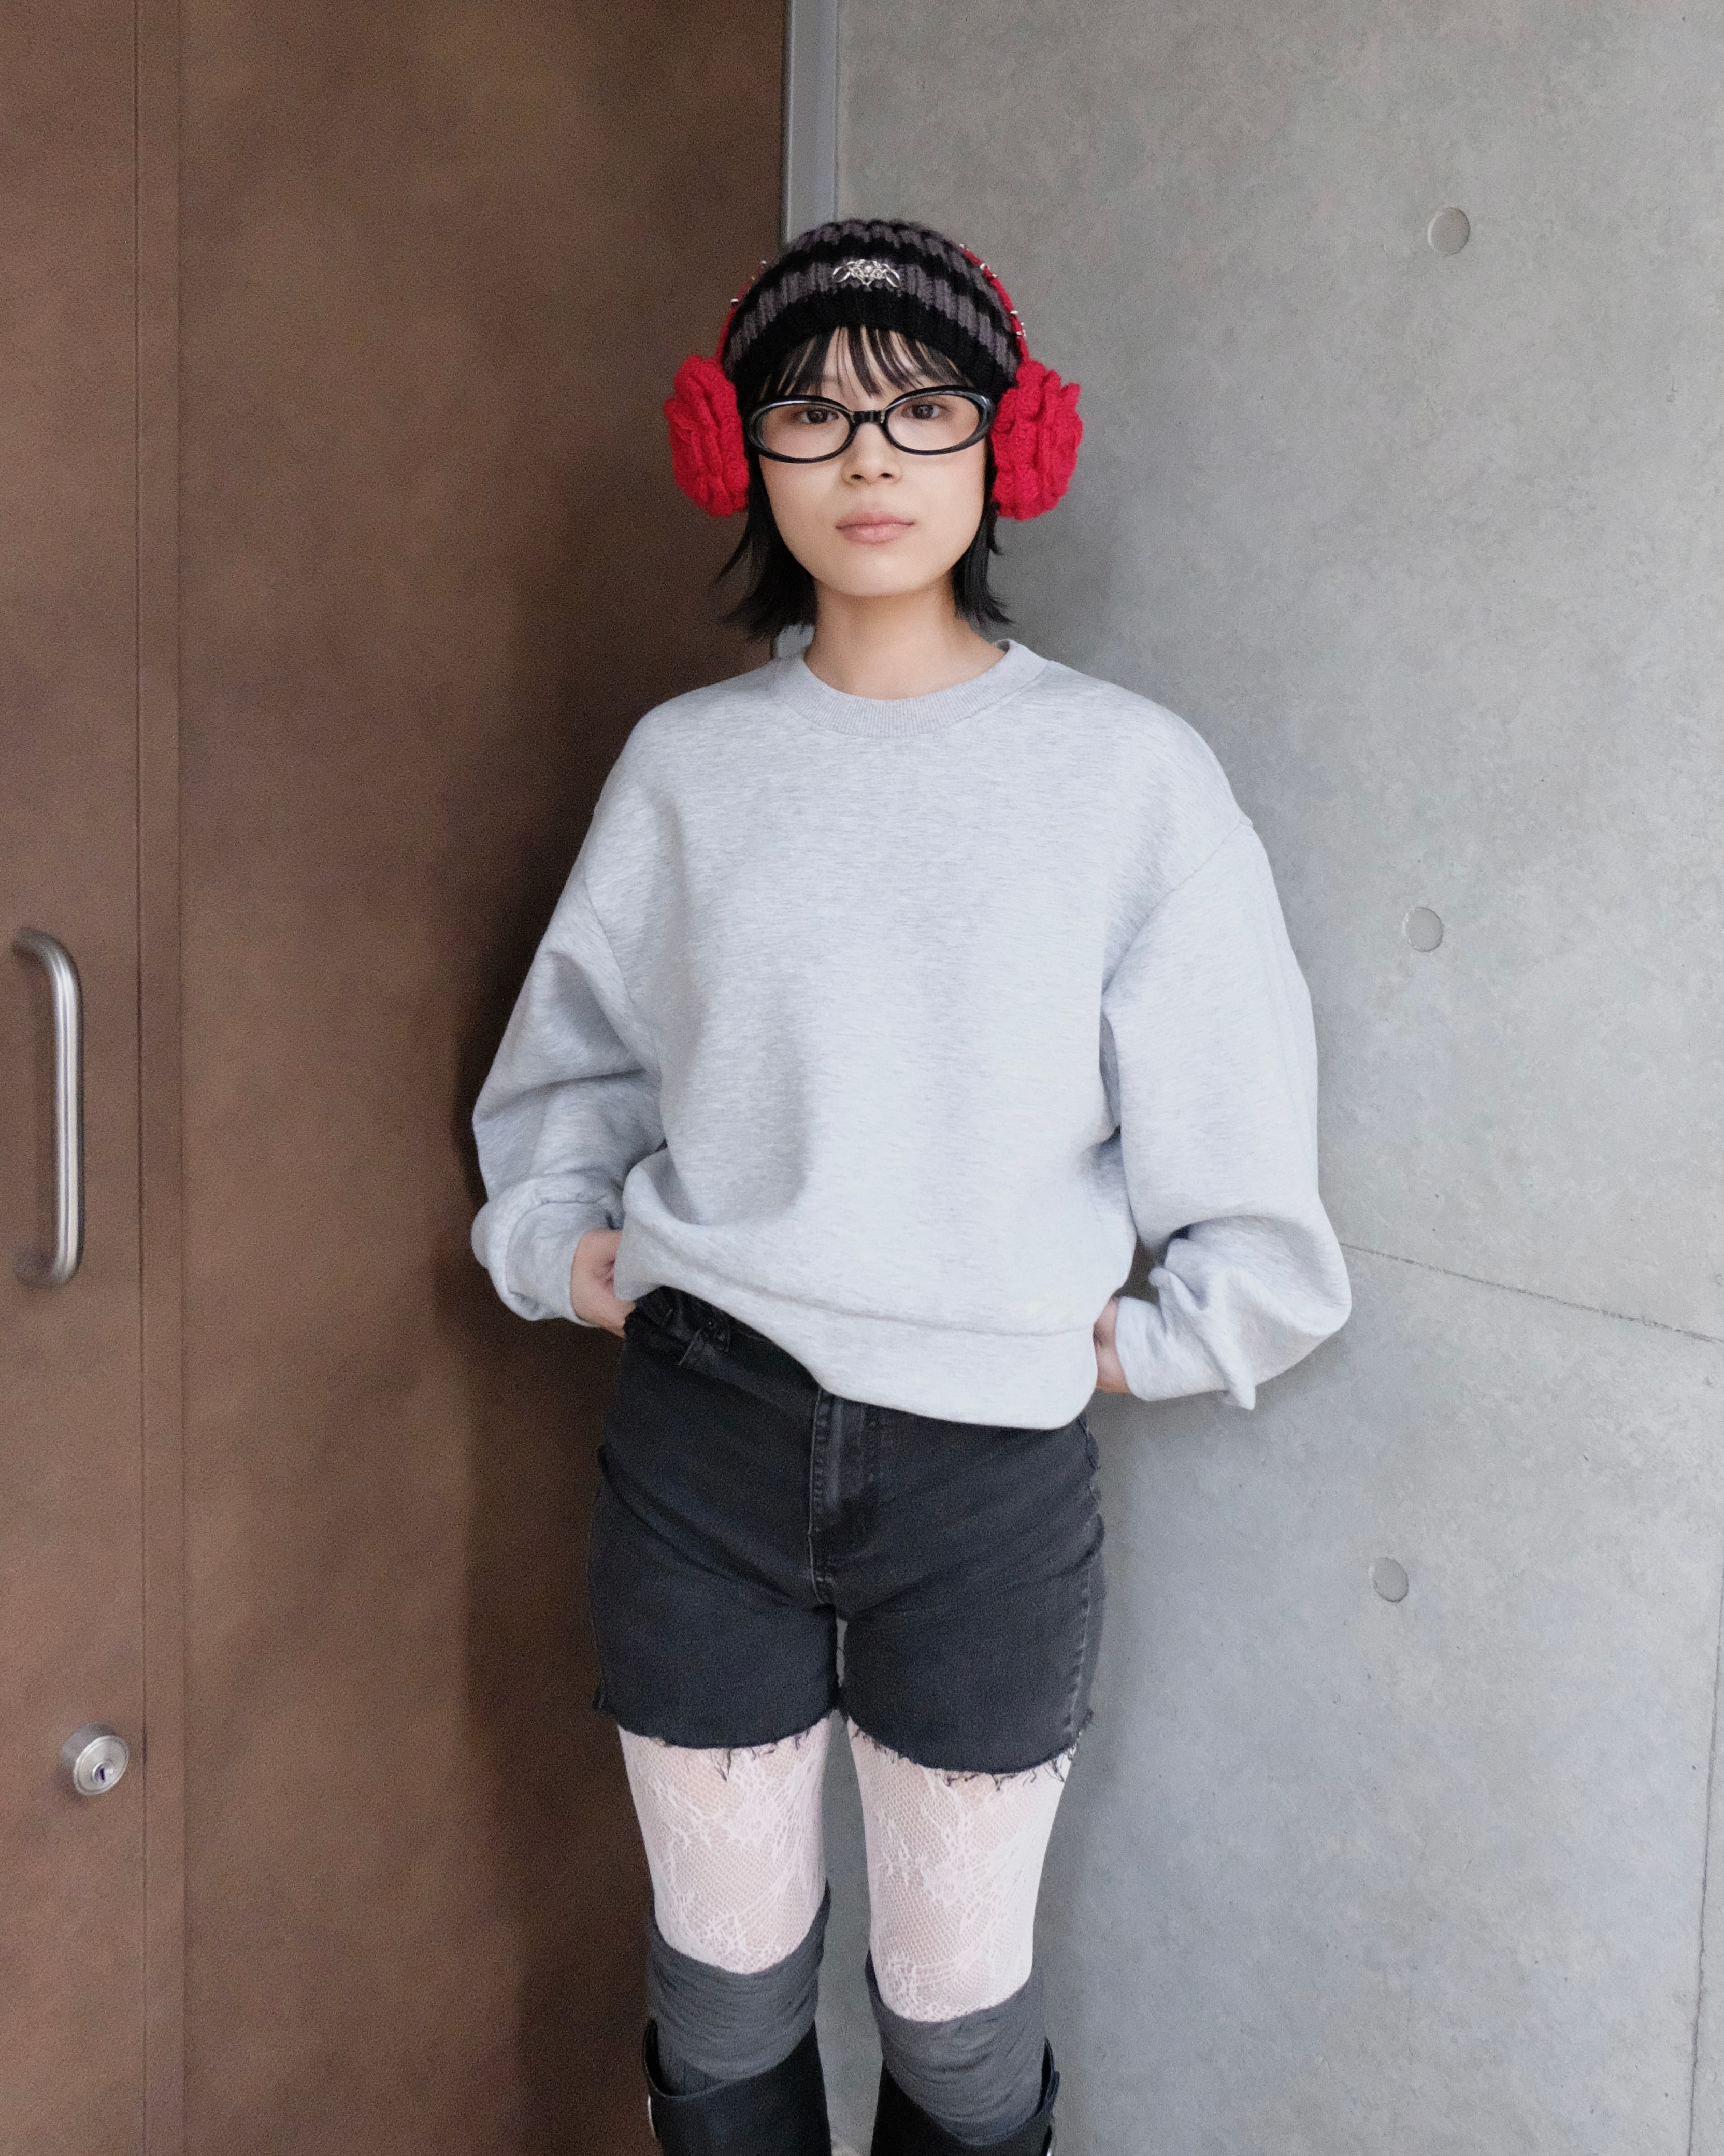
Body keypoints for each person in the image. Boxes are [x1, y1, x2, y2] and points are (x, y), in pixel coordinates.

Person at [470, 217, 1351, 2156]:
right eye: (813, 411)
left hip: (986, 1485)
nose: (869, 457)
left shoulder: (1129, 776)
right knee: (720, 1993)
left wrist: (1127, 1342)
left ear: (1005, 444)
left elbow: (1250, 1183)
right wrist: (569, 1252)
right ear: (743, 453)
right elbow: (569, 1070)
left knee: (957, 2023)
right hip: (699, 1445)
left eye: (922, 406)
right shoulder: (688, 767)